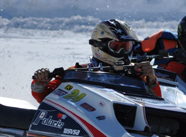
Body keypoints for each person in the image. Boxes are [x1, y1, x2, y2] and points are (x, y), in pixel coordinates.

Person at [32, 19, 160, 103]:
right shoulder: (78, 72)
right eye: (116, 47)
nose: (122, 52)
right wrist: (40, 81)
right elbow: (45, 98)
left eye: (125, 47)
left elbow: (157, 103)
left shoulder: (138, 75)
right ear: (100, 46)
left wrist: (152, 80)